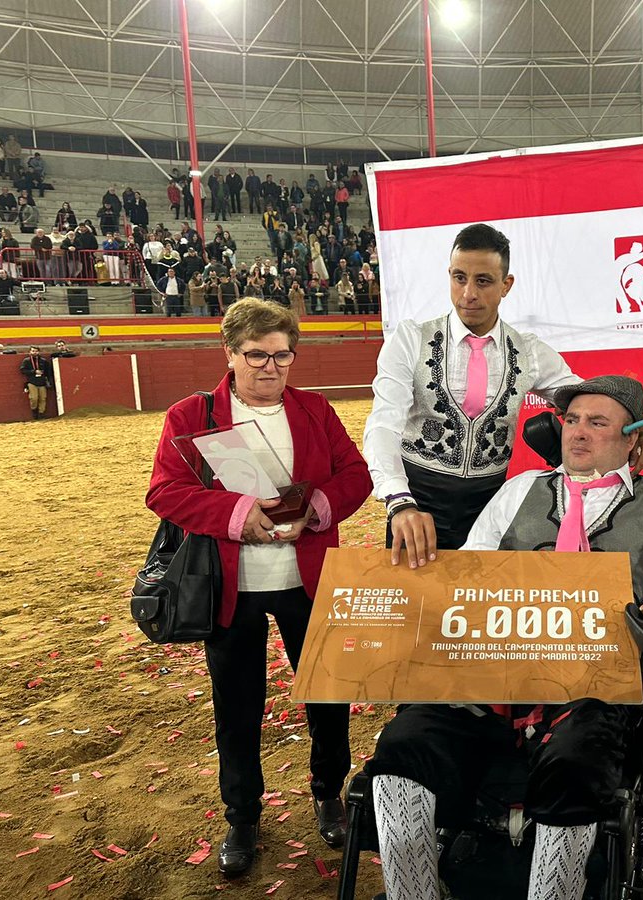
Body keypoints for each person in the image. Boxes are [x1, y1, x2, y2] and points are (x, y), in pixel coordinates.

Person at [368, 374, 643, 900]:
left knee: (576, 760)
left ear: (632, 440)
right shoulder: (519, 491)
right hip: (495, 676)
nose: (579, 432)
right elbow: (472, 569)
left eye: (598, 423)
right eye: (571, 420)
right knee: (403, 747)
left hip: (595, 684)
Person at [146, 298, 373, 877]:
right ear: (229, 353)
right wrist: (237, 514)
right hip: (231, 585)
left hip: (308, 579)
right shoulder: (190, 415)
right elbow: (164, 492)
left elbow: (356, 475)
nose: (271, 367)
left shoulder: (315, 409)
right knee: (238, 707)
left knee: (327, 696)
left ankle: (328, 794)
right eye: (256, 355)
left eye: (282, 355)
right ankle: (242, 816)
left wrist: (317, 509)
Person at [362, 223, 643, 565]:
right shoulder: (410, 340)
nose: (468, 293)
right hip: (416, 503)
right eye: (459, 278)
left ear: (506, 285)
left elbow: (589, 397)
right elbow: (384, 425)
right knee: (416, 597)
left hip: (492, 509)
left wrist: (638, 422)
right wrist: (399, 501)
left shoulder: (528, 351)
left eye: (483, 281)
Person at [19, 345, 53, 420]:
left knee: (43, 398)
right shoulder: (27, 361)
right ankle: (34, 411)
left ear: (38, 352)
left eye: (36, 351)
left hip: (42, 382)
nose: (34, 352)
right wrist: (34, 371)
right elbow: (22, 370)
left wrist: (49, 381)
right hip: (32, 382)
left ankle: (41, 414)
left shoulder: (43, 361)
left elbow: (48, 372)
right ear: (30, 352)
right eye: (33, 351)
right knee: (34, 398)